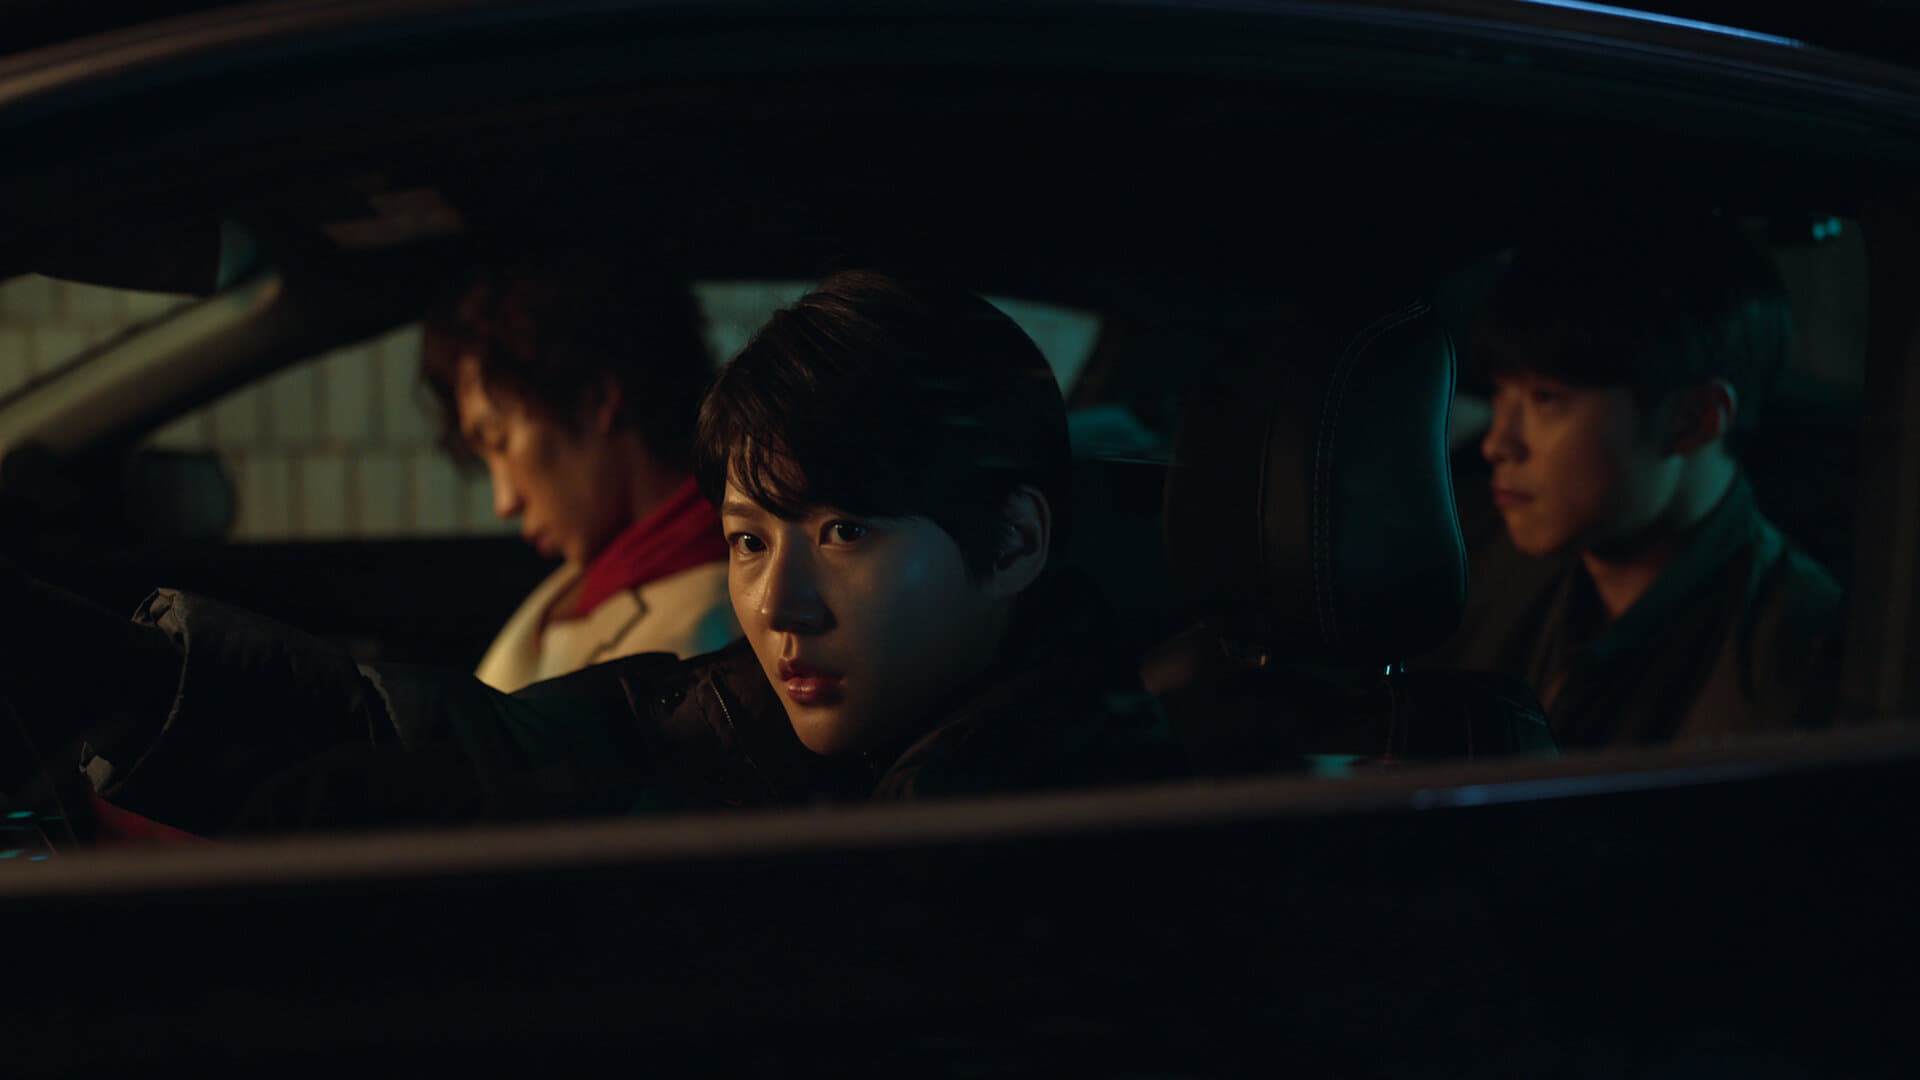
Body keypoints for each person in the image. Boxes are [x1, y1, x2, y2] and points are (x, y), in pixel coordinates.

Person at [1, 270, 1176, 837]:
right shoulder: (773, 715)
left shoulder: (1053, 837)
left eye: (845, 532)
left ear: (1013, 543)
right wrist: (108, 678)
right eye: (747, 539)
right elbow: (477, 740)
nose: (780, 602)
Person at [1431, 216, 1843, 749]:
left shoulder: (1800, 654)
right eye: (1500, 393)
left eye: (1545, 399)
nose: (1498, 443)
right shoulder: (1472, 567)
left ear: (1695, 419)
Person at [419, 253, 736, 691]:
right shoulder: (606, 565)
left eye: (500, 440)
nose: (505, 503)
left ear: (595, 399)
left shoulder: (698, 642)